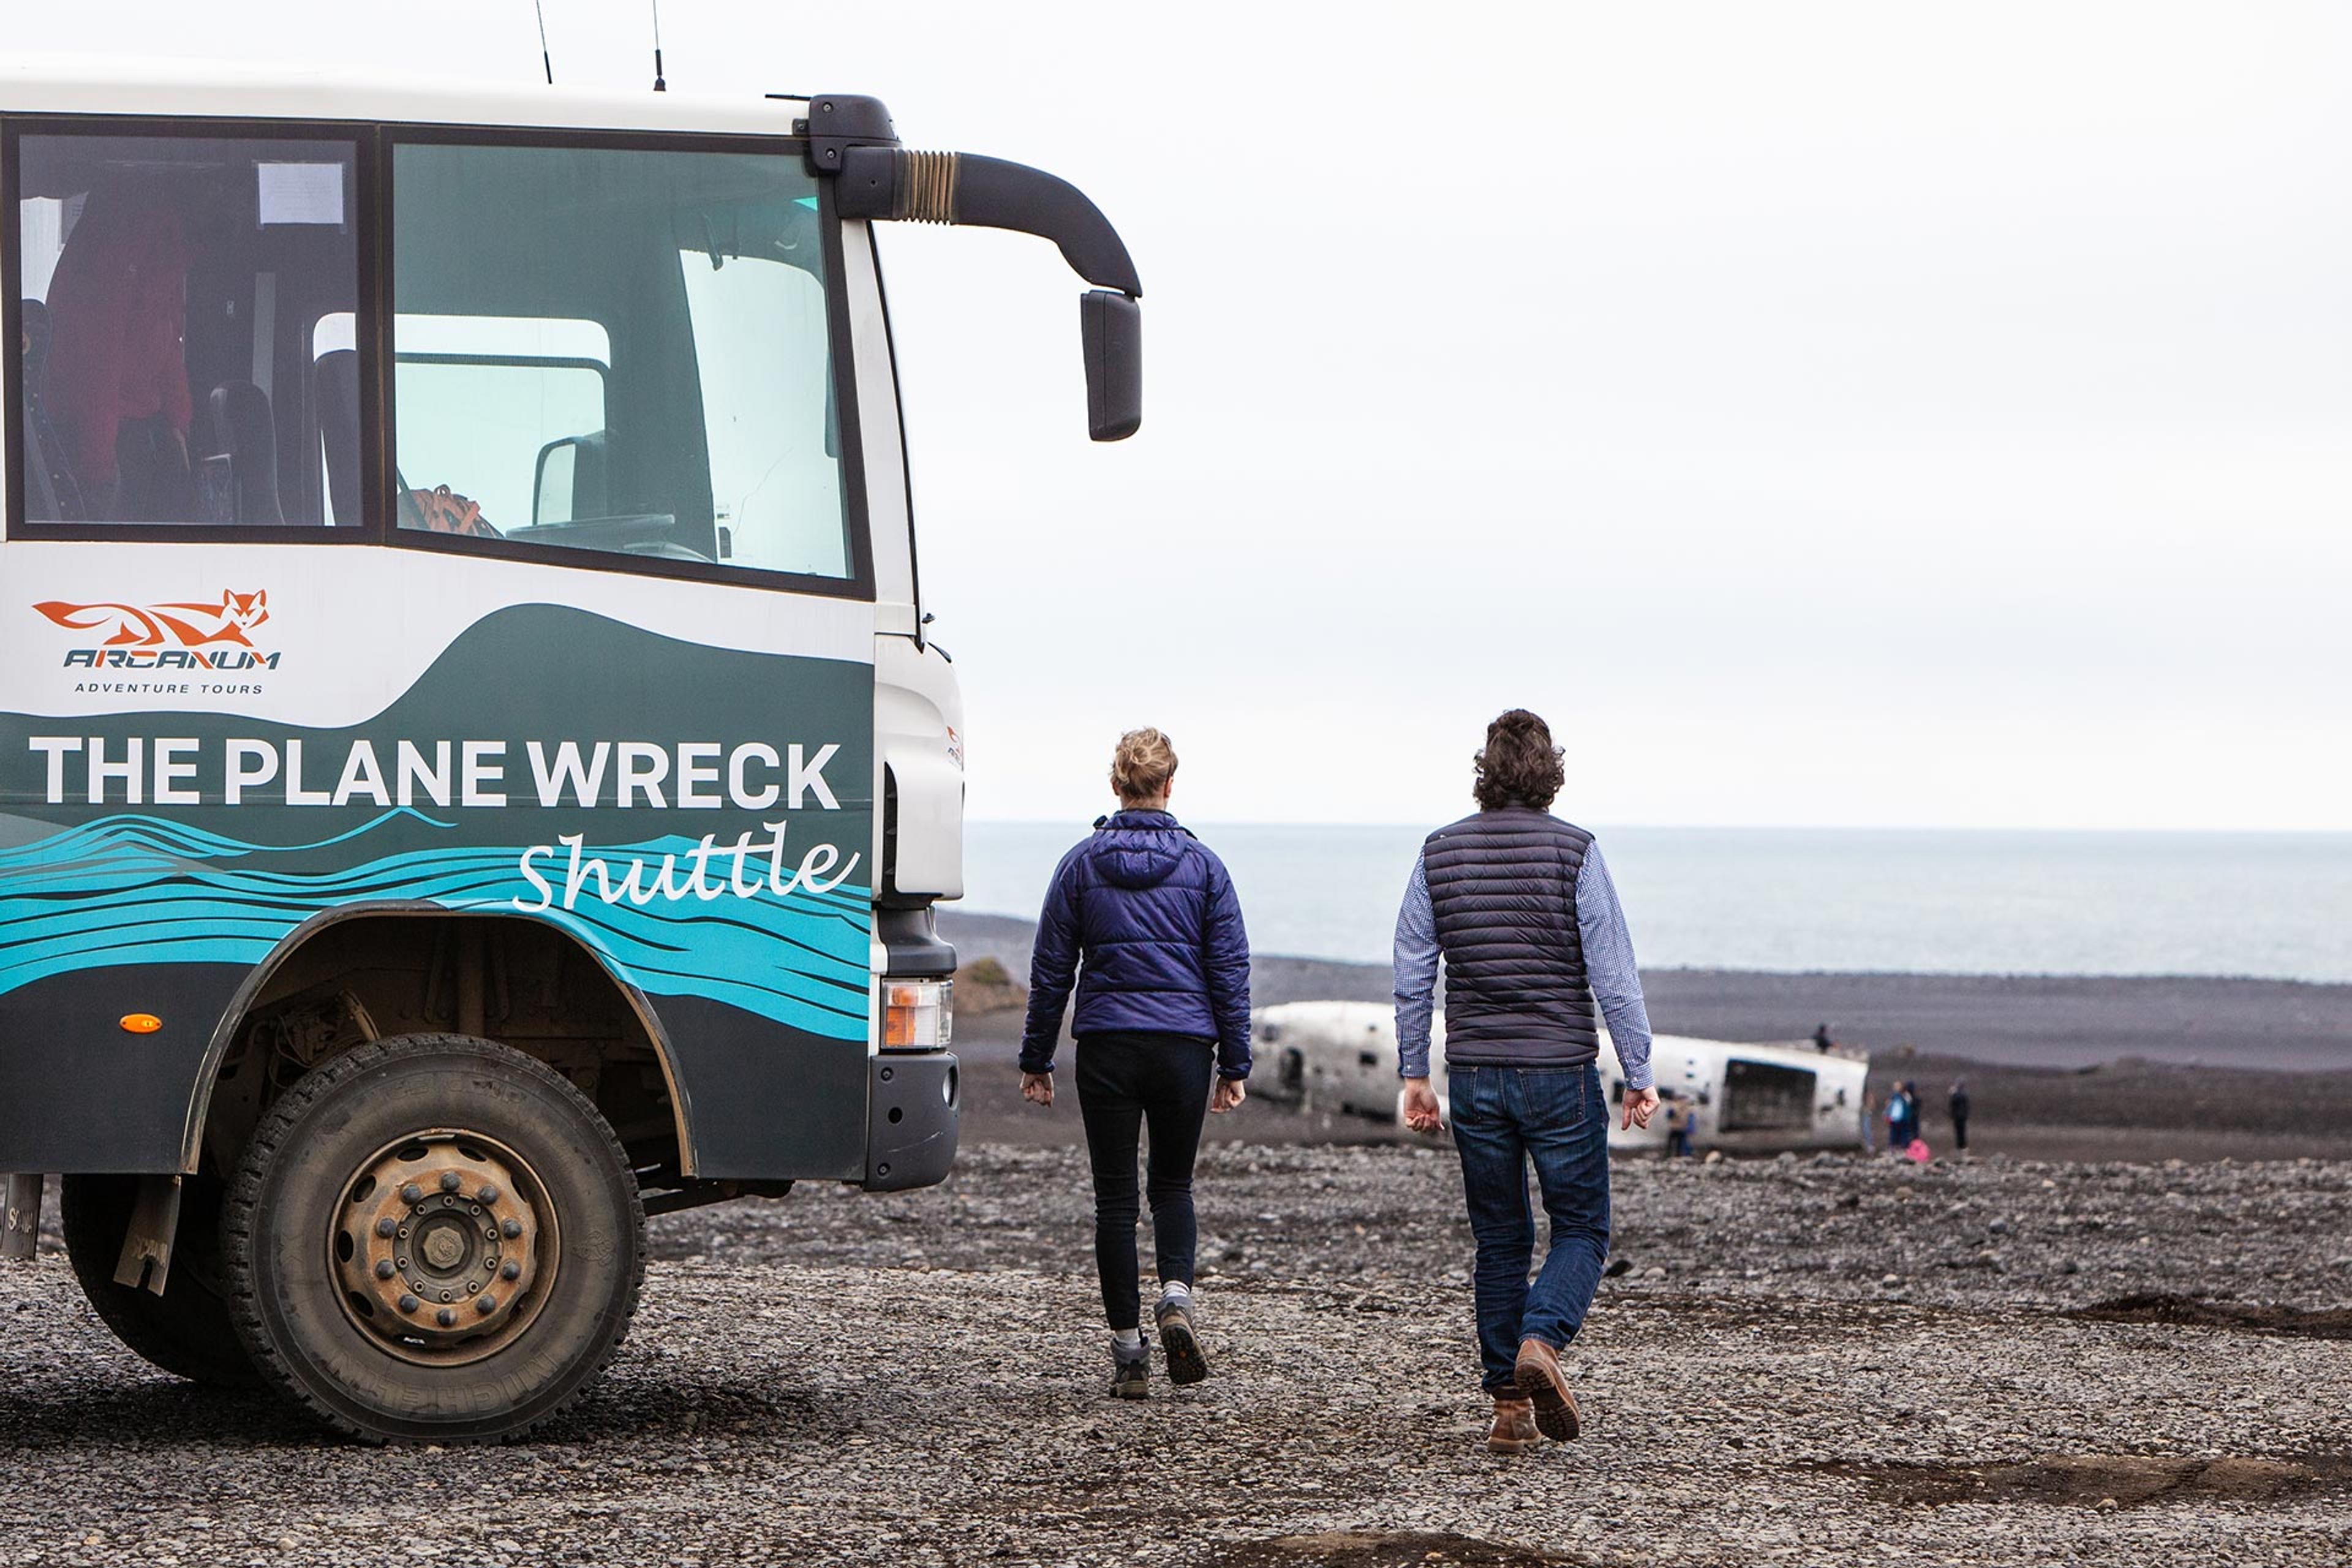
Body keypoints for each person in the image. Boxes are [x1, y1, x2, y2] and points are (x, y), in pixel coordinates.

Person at [1393, 709, 1656, 1455]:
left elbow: (1414, 970)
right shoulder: (1576, 851)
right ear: (1551, 770)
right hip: (1559, 1075)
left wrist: (1416, 1071)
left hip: (1476, 1076)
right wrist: (1638, 1070)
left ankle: (1509, 1409)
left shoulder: (1438, 853)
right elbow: (1614, 972)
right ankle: (1542, 1340)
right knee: (1581, 1226)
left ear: (1485, 768)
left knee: (1501, 1239)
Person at [1018, 728, 1251, 1399]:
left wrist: (1037, 1056)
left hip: (1109, 1048)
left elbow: (1051, 971)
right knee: (1173, 1186)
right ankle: (1175, 1296)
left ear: (1116, 785)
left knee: (1115, 1202)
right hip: (1183, 1047)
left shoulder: (1080, 864)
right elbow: (1229, 971)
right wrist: (1234, 1062)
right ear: (1169, 785)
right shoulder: (1206, 868)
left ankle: (1128, 1355)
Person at [1663, 1091, 1693, 1159]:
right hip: (1674, 1128)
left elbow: (1690, 1119)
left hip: (1682, 1129)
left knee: (1680, 1144)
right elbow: (1669, 1115)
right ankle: (1669, 1155)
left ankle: (1678, 1155)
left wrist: (1690, 1128)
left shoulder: (1688, 1110)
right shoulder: (1674, 1108)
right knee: (1671, 1144)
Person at [1948, 1079, 1971, 1153]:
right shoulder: (1964, 1094)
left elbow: (1955, 1102)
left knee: (1960, 1132)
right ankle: (1962, 1147)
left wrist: (1953, 1094)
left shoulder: (1959, 1095)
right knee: (1961, 1132)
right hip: (1962, 1116)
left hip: (1959, 1117)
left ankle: (1961, 1147)